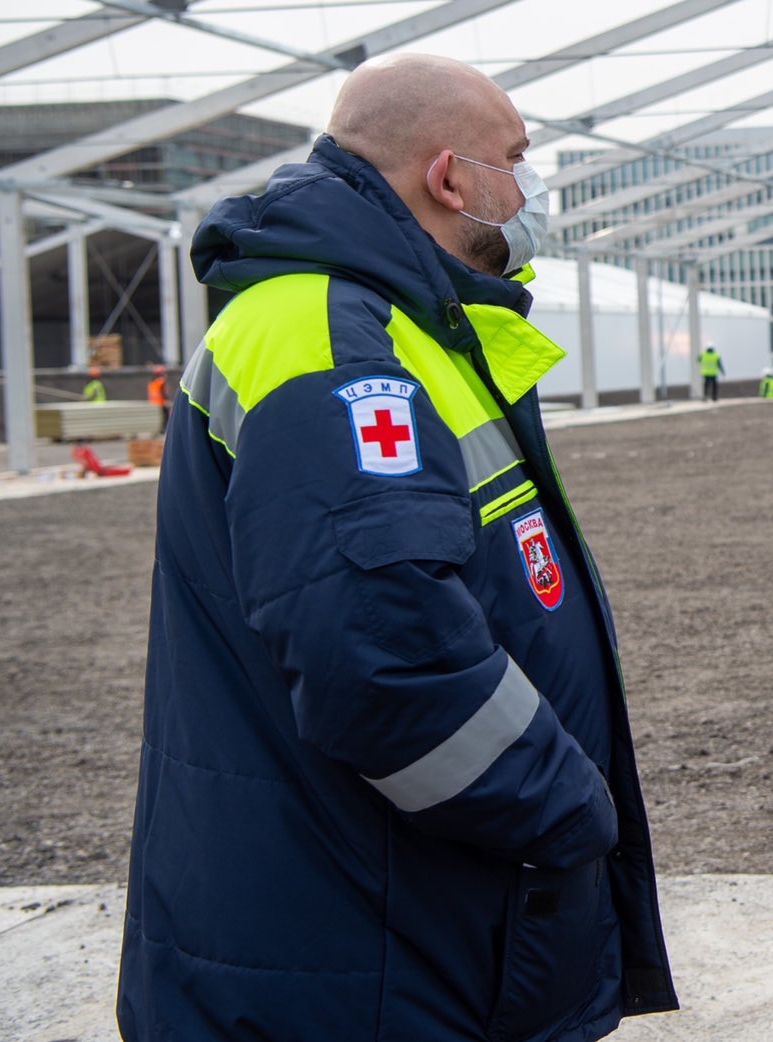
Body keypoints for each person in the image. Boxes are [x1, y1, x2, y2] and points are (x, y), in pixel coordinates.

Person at [118, 54, 675, 1041]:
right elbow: (380, 660)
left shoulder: (386, 321)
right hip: (362, 950)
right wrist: (565, 812)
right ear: (450, 177)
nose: (527, 192)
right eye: (515, 161)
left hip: (393, 918)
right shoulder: (330, 340)